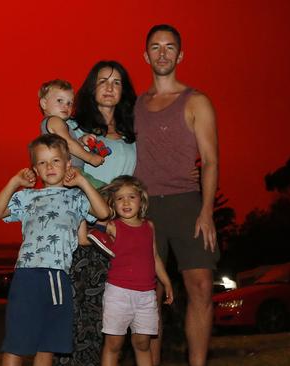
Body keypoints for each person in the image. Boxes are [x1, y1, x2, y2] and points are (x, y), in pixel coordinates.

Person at [134, 24, 220, 366]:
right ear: (146, 55)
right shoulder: (136, 105)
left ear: (180, 55)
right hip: (145, 208)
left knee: (200, 287)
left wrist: (207, 211)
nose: (163, 53)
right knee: (149, 295)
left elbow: (211, 160)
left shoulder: (196, 100)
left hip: (187, 203)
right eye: (155, 47)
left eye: (170, 47)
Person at [0, 134, 110, 366]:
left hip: (57, 275)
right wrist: (15, 182)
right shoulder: (27, 197)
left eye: (56, 161)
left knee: (48, 342)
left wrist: (83, 181)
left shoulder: (76, 197)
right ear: (35, 169)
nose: (50, 167)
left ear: (68, 165)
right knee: (17, 340)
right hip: (26, 274)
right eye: (42, 162)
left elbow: (103, 212)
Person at [53, 60, 138, 366]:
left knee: (112, 321)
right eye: (103, 81)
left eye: (117, 82)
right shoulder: (75, 129)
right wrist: (78, 227)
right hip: (86, 232)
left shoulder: (132, 135)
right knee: (78, 317)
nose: (109, 87)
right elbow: (66, 177)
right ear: (91, 88)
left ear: (124, 91)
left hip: (120, 234)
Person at [99, 175, 174, 366]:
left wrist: (166, 282)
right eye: (120, 198)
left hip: (146, 295)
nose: (126, 202)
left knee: (143, 343)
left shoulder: (149, 226)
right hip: (118, 293)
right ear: (112, 203)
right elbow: (87, 225)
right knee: (114, 344)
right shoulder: (112, 227)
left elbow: (154, 256)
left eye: (131, 197)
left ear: (141, 199)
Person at [38, 79, 107, 189]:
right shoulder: (54, 121)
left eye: (69, 103)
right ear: (44, 103)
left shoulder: (60, 124)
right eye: (60, 100)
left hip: (70, 173)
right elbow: (68, 144)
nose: (66, 106)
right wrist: (90, 158)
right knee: (105, 191)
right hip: (69, 172)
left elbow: (65, 144)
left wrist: (81, 140)